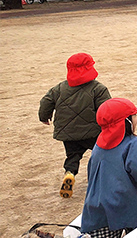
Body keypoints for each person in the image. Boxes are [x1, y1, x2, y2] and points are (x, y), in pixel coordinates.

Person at [81, 98, 137, 237]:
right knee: (136, 233)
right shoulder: (133, 144)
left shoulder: (99, 145)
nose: (136, 119)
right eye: (134, 116)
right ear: (126, 121)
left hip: (97, 207)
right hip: (126, 206)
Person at [38, 53, 111, 198]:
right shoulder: (98, 88)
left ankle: (69, 173)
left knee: (73, 155)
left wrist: (44, 117)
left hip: (69, 133)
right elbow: (106, 109)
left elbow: (46, 101)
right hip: (93, 132)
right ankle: (100, 178)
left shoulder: (59, 88)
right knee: (101, 153)